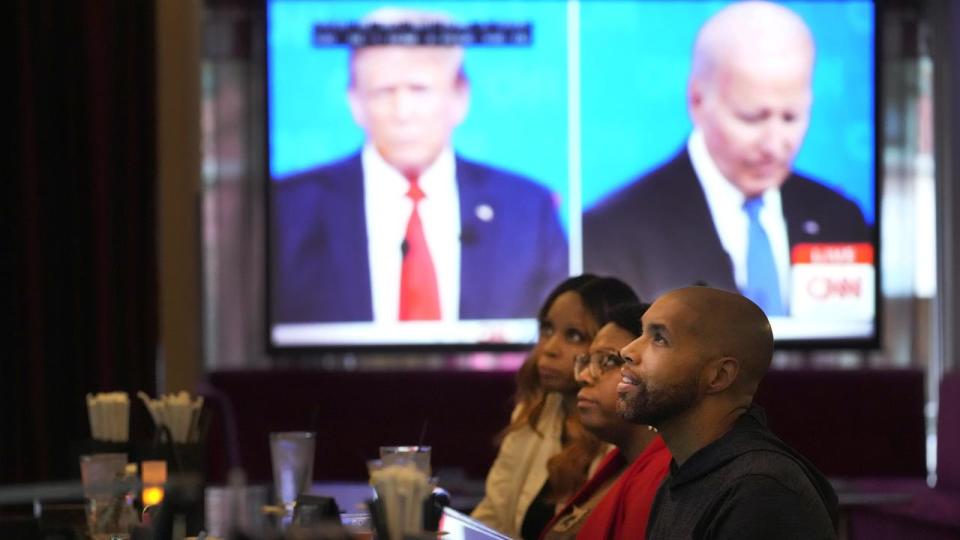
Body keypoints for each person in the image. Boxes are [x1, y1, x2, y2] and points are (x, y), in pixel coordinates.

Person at [272, 7, 567, 324]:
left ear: (460, 97)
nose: (402, 112)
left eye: (419, 90)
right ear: (354, 102)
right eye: (384, 92)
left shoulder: (527, 210)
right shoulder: (289, 209)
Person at [583, 1, 869, 316]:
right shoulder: (614, 230)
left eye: (790, 117)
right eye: (751, 118)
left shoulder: (842, 218)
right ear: (697, 100)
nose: (774, 144)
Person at [617, 286, 839, 539]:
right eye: (641, 333)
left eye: (659, 338)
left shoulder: (759, 490)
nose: (627, 351)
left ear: (719, 376)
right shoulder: (685, 473)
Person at [471, 275, 638, 539]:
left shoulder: (629, 431)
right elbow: (492, 518)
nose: (548, 348)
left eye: (573, 335)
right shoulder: (534, 411)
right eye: (547, 330)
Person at [540, 302, 671, 540]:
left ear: (658, 371)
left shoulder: (666, 476)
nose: (583, 377)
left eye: (608, 361)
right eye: (588, 361)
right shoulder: (619, 461)